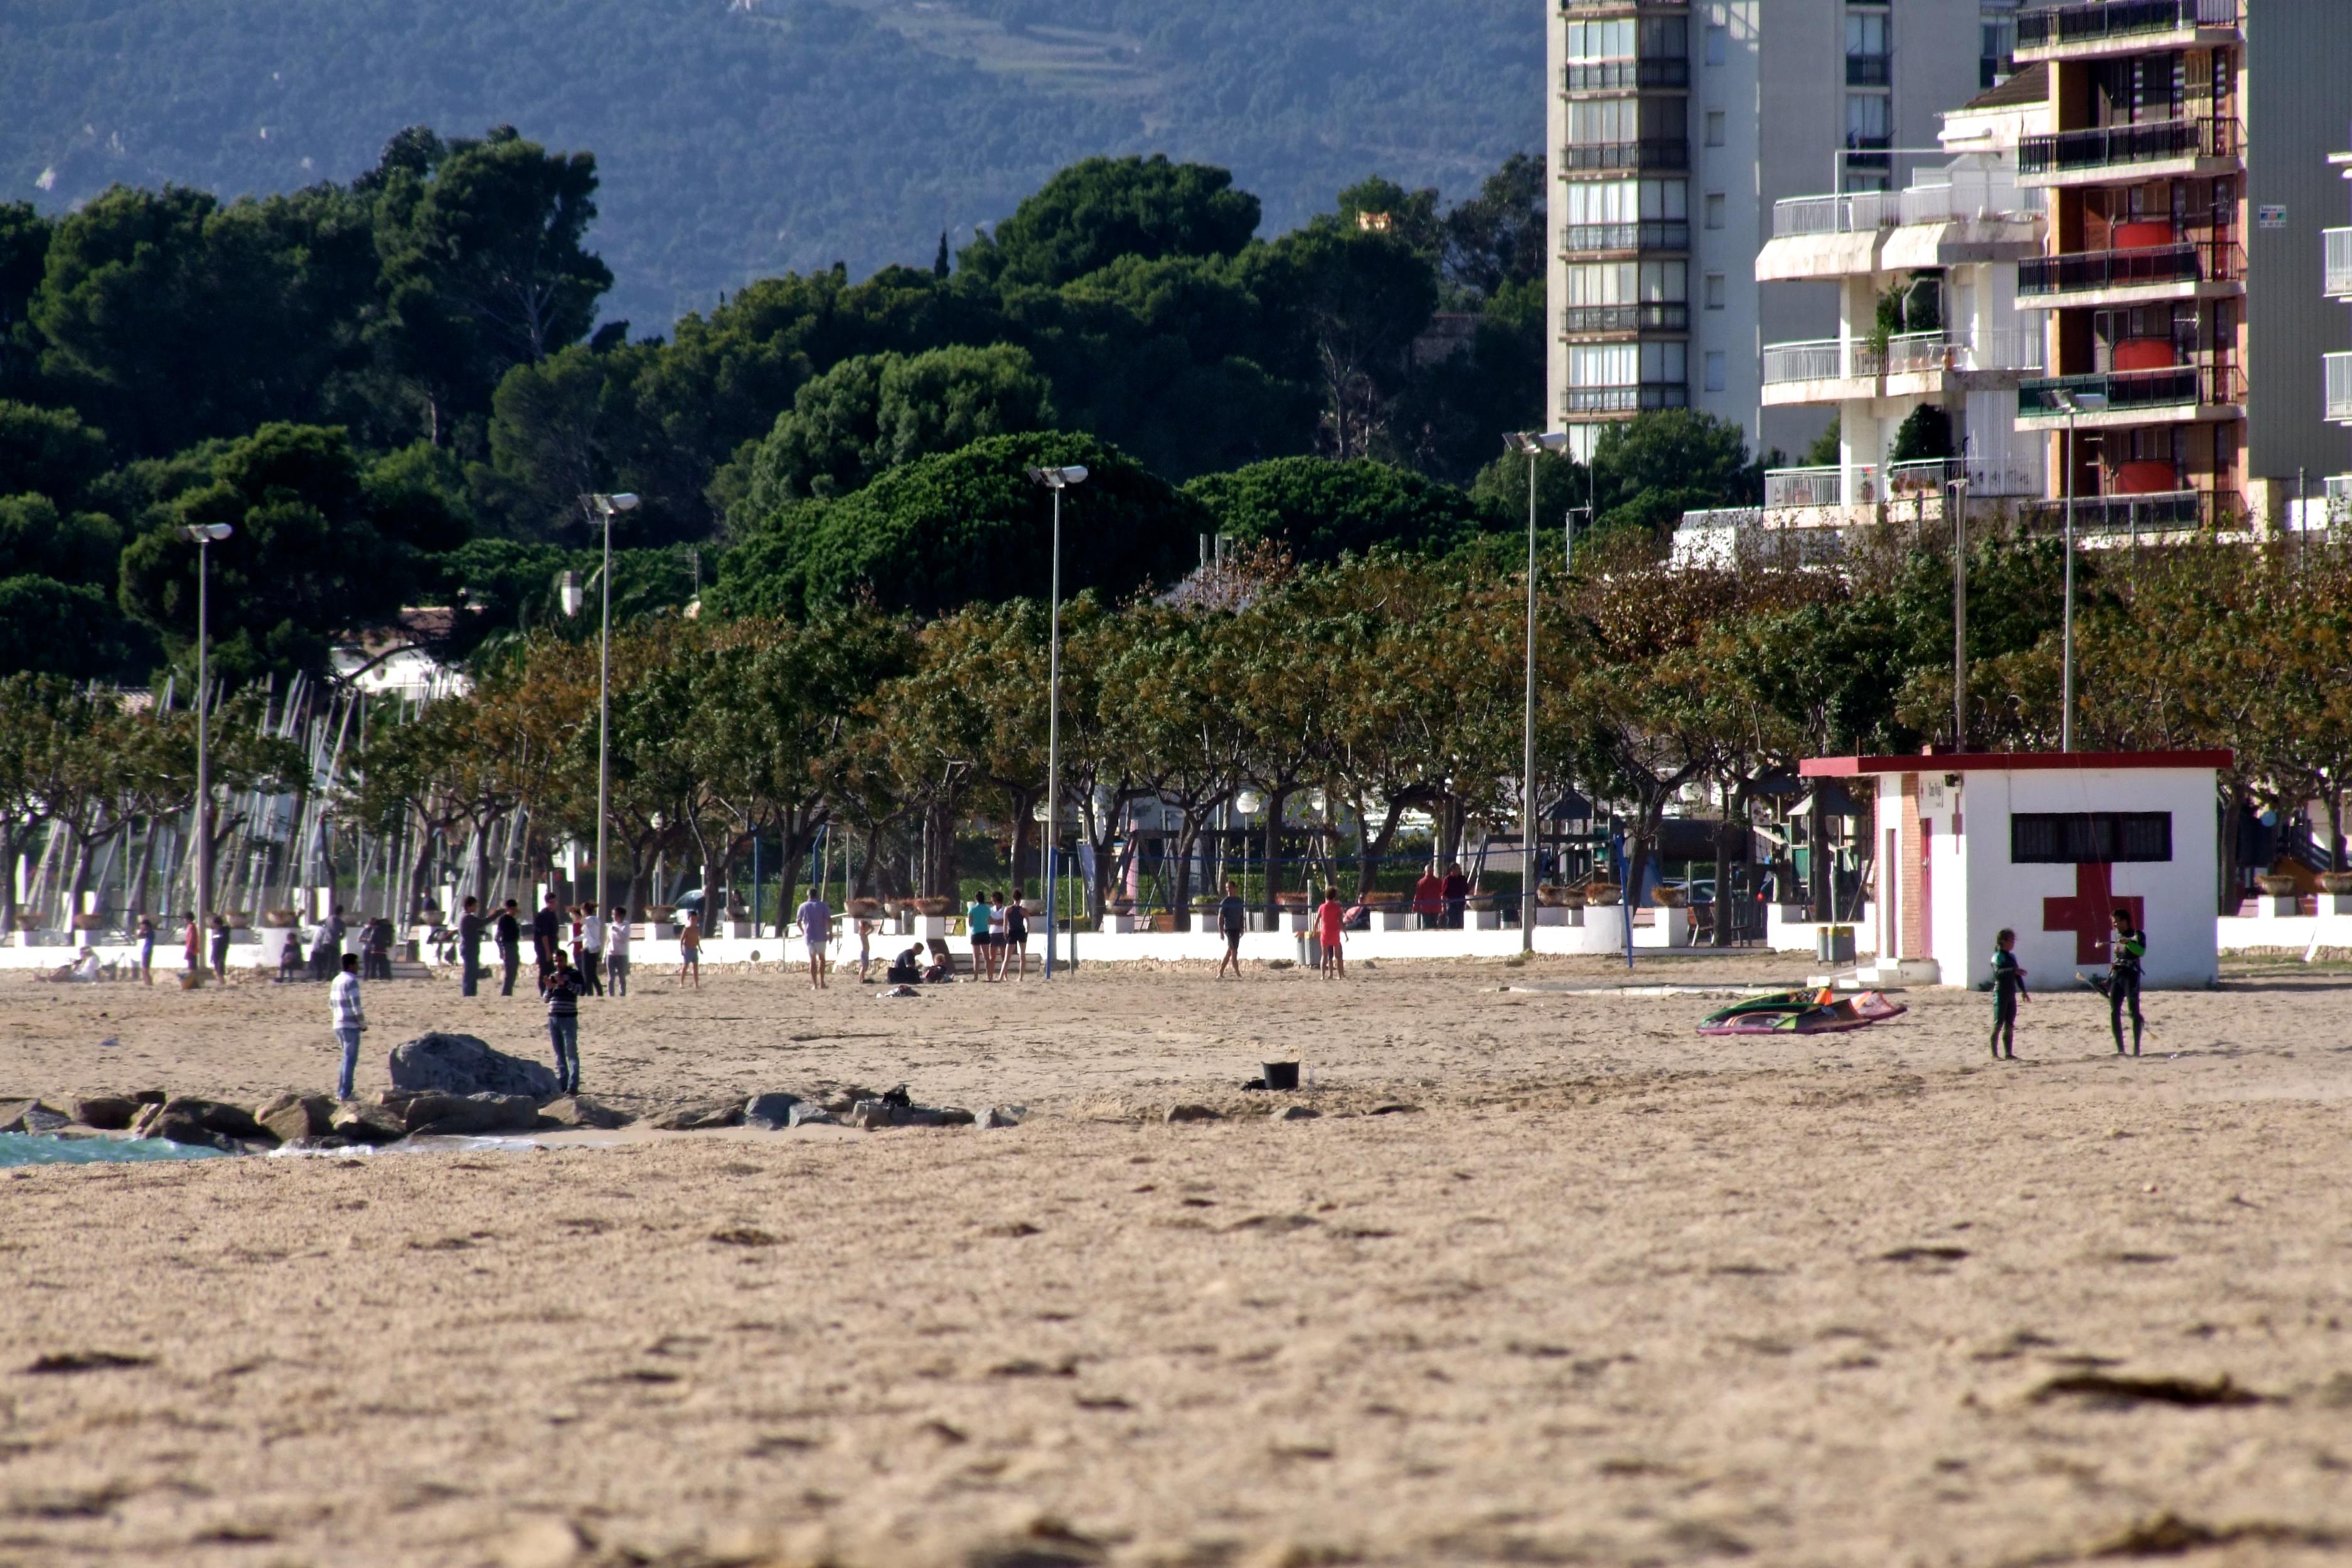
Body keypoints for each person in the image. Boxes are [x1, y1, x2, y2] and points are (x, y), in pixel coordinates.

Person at [2107, 908, 2146, 1056]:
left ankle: (2136, 1050)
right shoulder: (2119, 938)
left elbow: (2141, 952)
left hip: (2131, 977)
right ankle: (2121, 1050)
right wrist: (2109, 979)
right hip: (2117, 976)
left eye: (2116, 922)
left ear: (2124, 921)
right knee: (2114, 1012)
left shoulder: (2138, 935)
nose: (2114, 925)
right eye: (2113, 923)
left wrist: (2129, 943)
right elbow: (2117, 959)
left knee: (2133, 1011)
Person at [331, 951, 366, 1100]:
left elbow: (331, 1004)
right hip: (350, 1025)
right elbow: (356, 1007)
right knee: (350, 1060)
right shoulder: (351, 981)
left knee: (346, 1058)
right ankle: (345, 1093)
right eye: (357, 964)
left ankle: (342, 1091)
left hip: (338, 1023)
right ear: (351, 965)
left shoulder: (336, 980)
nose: (358, 967)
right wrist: (362, 1024)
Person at [544, 954, 582, 1094]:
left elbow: (581, 991)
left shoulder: (574, 974)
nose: (558, 963)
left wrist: (565, 983)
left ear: (566, 961)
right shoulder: (553, 976)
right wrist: (550, 988)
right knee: (559, 1055)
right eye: (556, 961)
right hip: (553, 1019)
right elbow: (546, 999)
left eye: (561, 961)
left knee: (571, 1053)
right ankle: (563, 1084)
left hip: (569, 1019)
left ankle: (573, 1085)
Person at [1989, 927, 2027, 1061]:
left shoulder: (2012, 957)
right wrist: (2013, 971)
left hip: (2011, 993)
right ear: (2004, 941)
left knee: (2010, 1023)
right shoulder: (1997, 957)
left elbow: (2017, 976)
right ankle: (1994, 1054)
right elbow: (1998, 973)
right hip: (2000, 993)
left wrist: (2023, 991)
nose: (2013, 943)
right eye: (2012, 940)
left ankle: (2008, 1053)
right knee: (1998, 1022)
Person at [796, 889, 832, 989]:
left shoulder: (803, 906)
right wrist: (830, 933)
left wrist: (804, 932)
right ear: (817, 895)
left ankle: (815, 984)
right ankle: (822, 982)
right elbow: (829, 920)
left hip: (809, 936)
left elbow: (798, 922)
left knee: (812, 960)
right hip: (821, 935)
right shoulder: (823, 905)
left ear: (808, 895)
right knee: (822, 958)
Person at [1216, 878, 1248, 978]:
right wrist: (1221, 931)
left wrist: (1242, 927)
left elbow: (1241, 915)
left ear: (1234, 888)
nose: (1228, 890)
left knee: (1230, 951)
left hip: (1236, 928)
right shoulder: (1225, 902)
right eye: (1227, 888)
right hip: (1229, 929)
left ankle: (1221, 972)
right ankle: (1238, 973)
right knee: (1234, 951)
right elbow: (1220, 917)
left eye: (1230, 887)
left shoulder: (1239, 901)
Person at [532, 890, 563, 988]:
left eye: (555, 902)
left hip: (552, 946)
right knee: (545, 971)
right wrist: (548, 952)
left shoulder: (553, 914)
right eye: (552, 902)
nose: (554, 904)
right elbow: (544, 936)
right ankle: (543, 989)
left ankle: (551, 989)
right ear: (547, 903)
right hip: (544, 948)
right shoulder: (543, 915)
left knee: (552, 971)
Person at [457, 895, 485, 997]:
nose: (476, 908)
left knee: (472, 971)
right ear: (470, 906)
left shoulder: (462, 916)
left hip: (468, 947)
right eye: (475, 906)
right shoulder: (467, 917)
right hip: (469, 948)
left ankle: (471, 993)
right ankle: (469, 993)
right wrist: (496, 914)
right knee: (470, 972)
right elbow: (482, 923)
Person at [1315, 887, 1345, 979]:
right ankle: (1340, 976)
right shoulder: (1338, 908)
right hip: (1335, 932)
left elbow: (1317, 921)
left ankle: (1322, 976)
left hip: (1325, 932)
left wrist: (1314, 930)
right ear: (1335, 896)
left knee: (1324, 955)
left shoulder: (1322, 907)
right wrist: (1345, 933)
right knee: (1338, 956)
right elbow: (1341, 922)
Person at [1002, 892, 1031, 981]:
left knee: (1007, 957)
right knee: (1022, 955)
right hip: (1021, 931)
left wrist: (1005, 933)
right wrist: (1027, 933)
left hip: (1012, 932)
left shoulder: (1008, 909)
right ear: (1020, 898)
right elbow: (1028, 924)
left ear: (1013, 898)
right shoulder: (1024, 910)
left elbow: (1005, 923)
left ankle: (1001, 976)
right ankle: (1020, 977)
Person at [495, 899, 521, 996]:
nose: (515, 911)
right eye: (513, 909)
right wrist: (501, 950)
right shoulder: (504, 920)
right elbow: (497, 937)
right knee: (509, 972)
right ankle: (506, 993)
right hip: (508, 947)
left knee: (513, 972)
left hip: (514, 946)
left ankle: (508, 992)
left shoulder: (513, 920)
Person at [967, 890, 995, 982]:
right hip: (985, 932)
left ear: (976, 899)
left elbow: (970, 923)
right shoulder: (987, 909)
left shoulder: (972, 909)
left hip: (975, 933)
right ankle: (989, 976)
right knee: (987, 957)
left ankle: (976, 977)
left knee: (976, 957)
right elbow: (989, 920)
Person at [579, 903, 605, 997]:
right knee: (592, 973)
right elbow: (586, 935)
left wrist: (576, 913)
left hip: (589, 949)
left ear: (584, 910)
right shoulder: (595, 920)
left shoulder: (591, 919)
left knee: (586, 973)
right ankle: (599, 992)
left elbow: (582, 921)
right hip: (595, 948)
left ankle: (590, 993)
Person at [606, 906, 630, 996]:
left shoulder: (625, 926)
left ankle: (622, 994)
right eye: (613, 915)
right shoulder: (611, 926)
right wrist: (605, 954)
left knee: (621, 977)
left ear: (621, 916)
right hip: (611, 954)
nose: (613, 917)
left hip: (621, 955)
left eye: (615, 915)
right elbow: (608, 940)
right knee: (610, 978)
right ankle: (611, 995)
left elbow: (625, 939)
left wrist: (617, 930)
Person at [1413, 866, 1445, 930]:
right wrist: (1443, 906)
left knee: (1426, 926)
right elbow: (1442, 894)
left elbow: (1418, 896)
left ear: (1425, 871)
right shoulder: (1439, 882)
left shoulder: (1421, 882)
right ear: (1433, 871)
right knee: (1435, 925)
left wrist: (1415, 907)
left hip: (1426, 908)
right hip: (1436, 907)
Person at [678, 909, 702, 989]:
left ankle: (696, 984)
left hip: (694, 949)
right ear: (689, 919)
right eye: (692, 919)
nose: (694, 921)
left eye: (695, 919)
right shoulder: (687, 929)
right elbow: (682, 940)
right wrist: (682, 950)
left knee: (696, 967)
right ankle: (681, 983)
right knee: (685, 967)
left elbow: (697, 940)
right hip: (687, 949)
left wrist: (700, 949)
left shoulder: (697, 929)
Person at [1441, 863, 1470, 930]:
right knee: (1451, 923)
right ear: (1452, 870)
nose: (1459, 870)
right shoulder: (1448, 879)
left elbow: (1467, 891)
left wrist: (1467, 903)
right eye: (1457, 869)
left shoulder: (1462, 879)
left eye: (1459, 869)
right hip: (1451, 904)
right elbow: (1443, 894)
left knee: (1461, 923)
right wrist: (1443, 906)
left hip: (1461, 904)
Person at [210, 913, 232, 983]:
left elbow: (225, 944)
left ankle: (222, 983)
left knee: (221, 970)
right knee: (217, 970)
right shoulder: (214, 932)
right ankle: (220, 982)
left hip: (221, 954)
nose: (214, 926)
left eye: (215, 924)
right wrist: (212, 956)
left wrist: (223, 954)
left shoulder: (224, 932)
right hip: (215, 954)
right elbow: (213, 945)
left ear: (218, 924)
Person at [855, 916, 877, 983]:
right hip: (864, 952)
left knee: (866, 967)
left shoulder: (865, 935)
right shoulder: (861, 934)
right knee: (864, 967)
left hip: (866, 952)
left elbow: (872, 929)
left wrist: (869, 925)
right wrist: (863, 924)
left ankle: (862, 978)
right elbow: (861, 927)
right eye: (866, 927)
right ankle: (861, 979)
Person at [136, 915, 156, 985]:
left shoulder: (150, 932)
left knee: (145, 970)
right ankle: (147, 983)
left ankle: (149, 983)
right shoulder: (150, 932)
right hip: (147, 951)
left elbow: (139, 936)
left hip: (147, 951)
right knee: (145, 970)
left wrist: (142, 929)